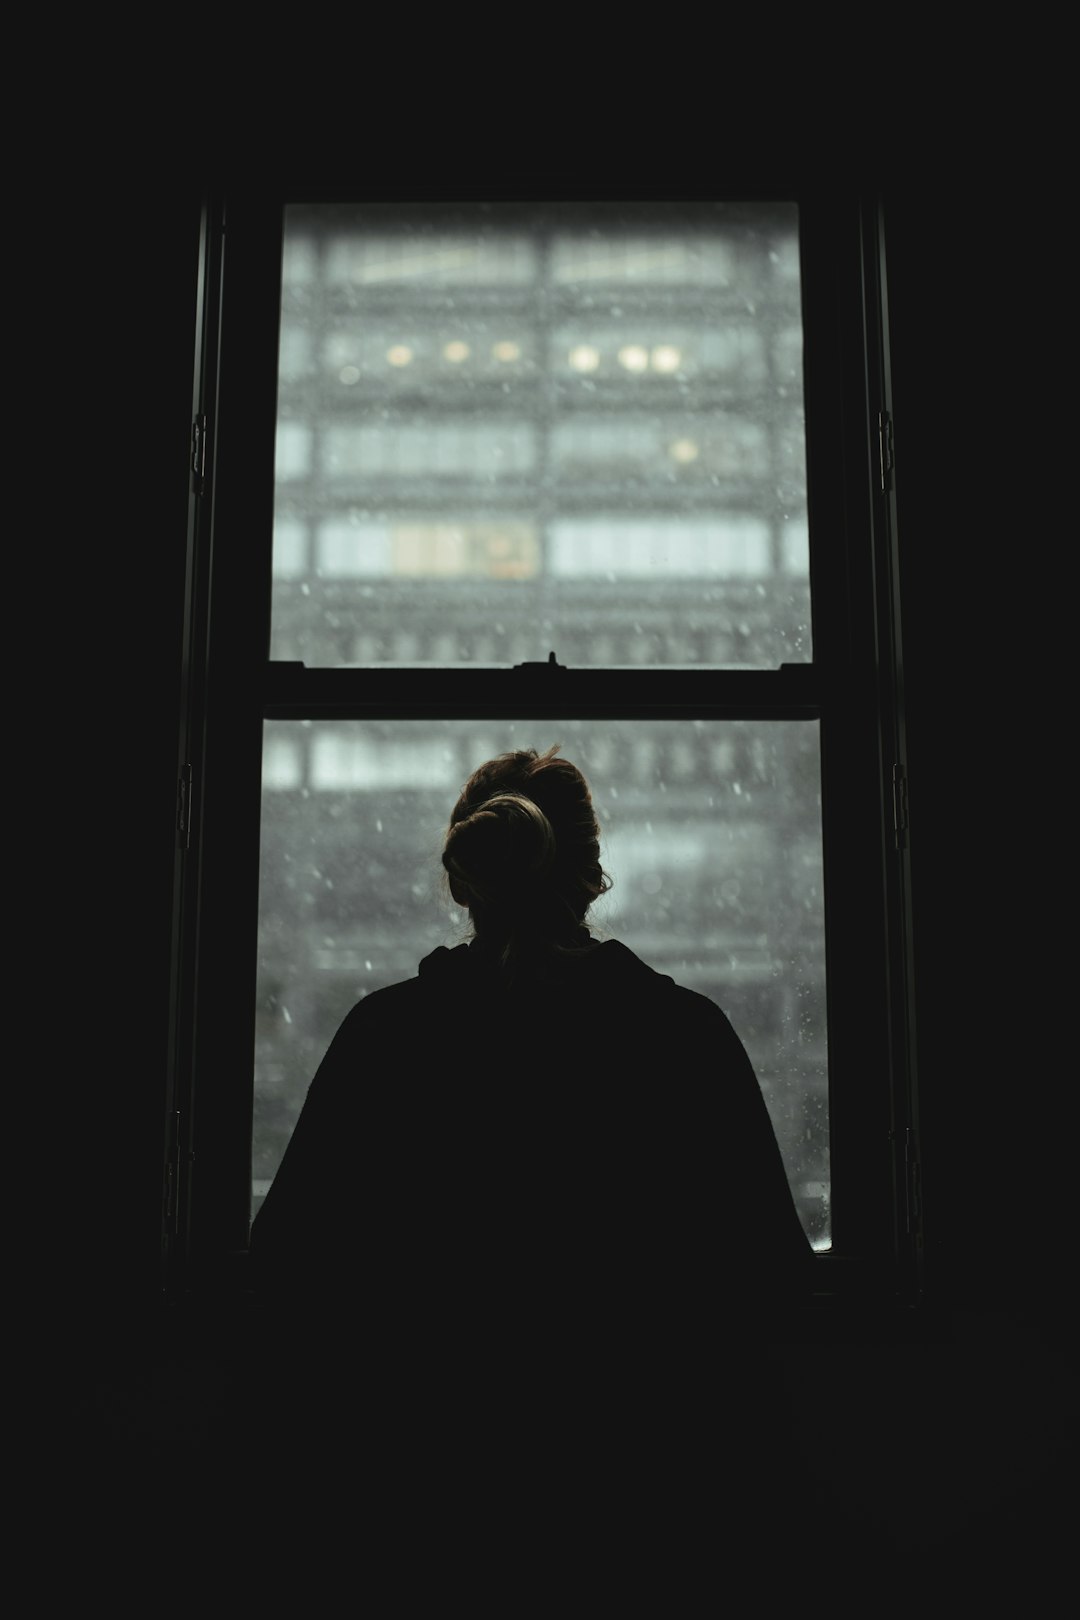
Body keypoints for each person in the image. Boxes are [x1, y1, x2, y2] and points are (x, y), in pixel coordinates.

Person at [246, 745, 813, 1546]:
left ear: (464, 878)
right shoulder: (683, 1037)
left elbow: (285, 1262)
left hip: (418, 1480)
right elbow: (774, 1275)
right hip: (652, 1482)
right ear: (591, 873)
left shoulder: (387, 1037)